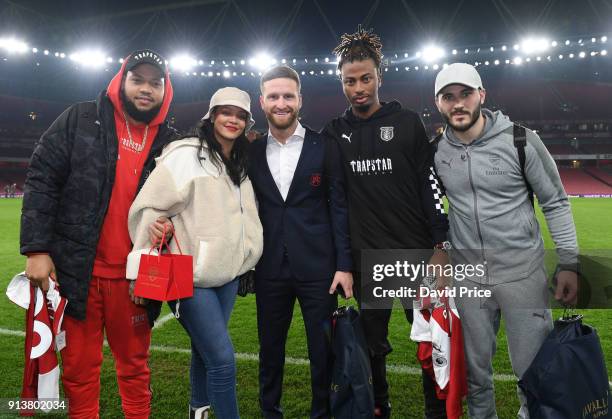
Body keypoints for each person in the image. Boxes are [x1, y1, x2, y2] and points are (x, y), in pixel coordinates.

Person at [20, 49, 176, 418]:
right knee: (79, 371)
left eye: (156, 83)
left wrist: (169, 225)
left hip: (135, 280)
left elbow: (180, 205)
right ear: (120, 80)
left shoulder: (171, 142)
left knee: (135, 369)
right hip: (78, 274)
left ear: (166, 90)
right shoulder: (80, 119)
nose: (145, 89)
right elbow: (42, 178)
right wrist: (36, 249)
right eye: (137, 79)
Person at [432, 62, 579, 418]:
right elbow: (430, 208)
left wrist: (570, 262)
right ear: (438, 103)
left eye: (465, 94)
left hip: (522, 275)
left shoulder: (520, 139)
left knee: (531, 373)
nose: (458, 104)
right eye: (448, 97)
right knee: (477, 376)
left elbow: (555, 201)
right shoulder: (436, 151)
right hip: (469, 279)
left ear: (481, 95)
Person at [322, 27, 450, 419]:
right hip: (368, 260)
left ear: (380, 76)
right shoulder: (335, 132)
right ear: (341, 82)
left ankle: (435, 409)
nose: (358, 88)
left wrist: (440, 247)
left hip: (416, 257)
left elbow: (430, 188)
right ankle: (379, 406)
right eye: (350, 81)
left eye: (365, 78)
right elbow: (336, 201)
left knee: (431, 339)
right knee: (372, 344)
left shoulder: (408, 123)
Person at [128, 87, 264, 419]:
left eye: (240, 115)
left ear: (247, 122)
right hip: (189, 276)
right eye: (225, 112)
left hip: (229, 276)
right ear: (212, 115)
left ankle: (197, 411)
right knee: (222, 359)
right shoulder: (185, 154)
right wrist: (141, 260)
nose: (232, 119)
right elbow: (148, 207)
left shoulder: (241, 161)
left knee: (204, 353)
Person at [248, 65, 353, 419]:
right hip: (269, 269)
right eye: (274, 96)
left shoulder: (325, 146)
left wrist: (343, 266)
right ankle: (269, 412)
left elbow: (339, 207)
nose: (281, 103)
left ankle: (320, 414)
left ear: (300, 100)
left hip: (319, 269)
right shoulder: (251, 152)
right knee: (270, 350)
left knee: (322, 353)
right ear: (262, 102)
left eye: (288, 96)